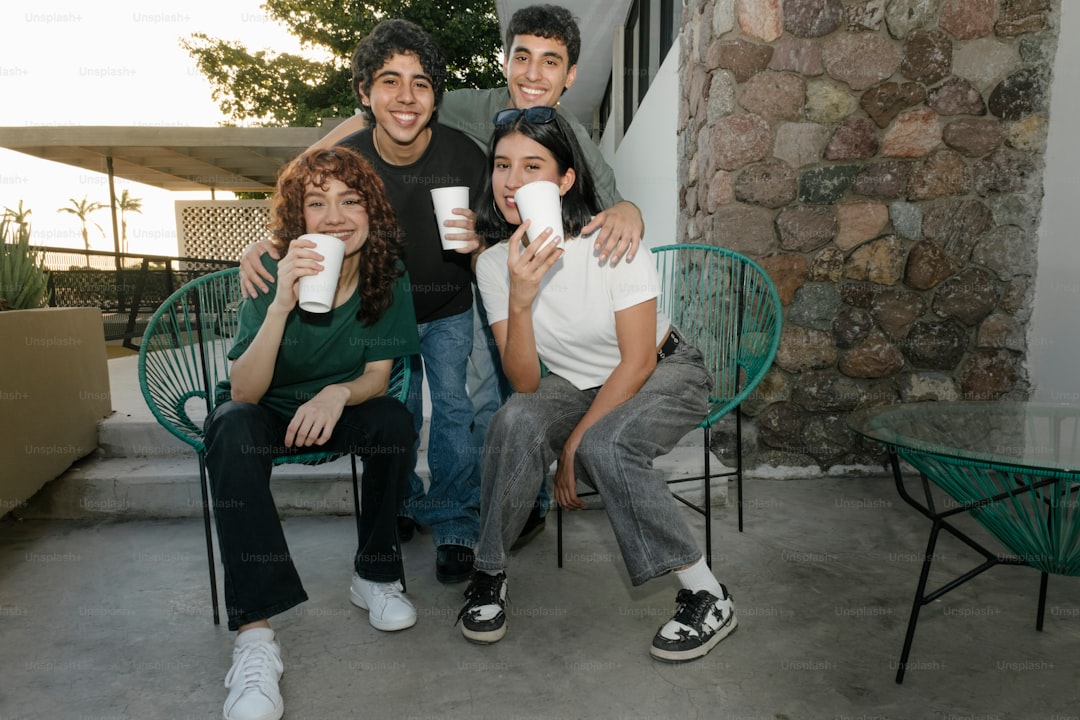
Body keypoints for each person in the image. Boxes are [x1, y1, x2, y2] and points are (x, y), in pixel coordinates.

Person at [455, 107, 738, 664]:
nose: (512, 182)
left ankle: (708, 594)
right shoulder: (493, 264)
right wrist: (519, 295)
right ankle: (489, 573)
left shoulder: (612, 240)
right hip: (573, 382)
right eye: (502, 165)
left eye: (532, 166)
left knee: (608, 444)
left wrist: (576, 445)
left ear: (564, 181)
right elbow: (526, 380)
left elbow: (635, 362)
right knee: (511, 420)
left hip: (665, 370)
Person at [240, 19, 487, 584]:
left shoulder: (464, 155)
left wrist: (483, 238)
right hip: (379, 310)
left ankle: (453, 523)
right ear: (365, 94)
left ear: (435, 97)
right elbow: (305, 209)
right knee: (399, 411)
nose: (406, 97)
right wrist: (265, 243)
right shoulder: (347, 159)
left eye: (421, 83)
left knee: (452, 410)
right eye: (390, 81)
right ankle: (398, 502)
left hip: (448, 304)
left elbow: (493, 226)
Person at [207, 146, 420, 720]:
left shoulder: (387, 275)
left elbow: (378, 378)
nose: (334, 217)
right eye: (317, 202)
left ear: (370, 213)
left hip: (337, 408)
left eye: (351, 201)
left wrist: (336, 392)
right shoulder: (270, 271)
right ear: (298, 218)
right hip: (269, 411)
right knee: (229, 427)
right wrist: (280, 305)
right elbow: (245, 392)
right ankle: (255, 640)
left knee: (394, 422)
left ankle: (375, 575)